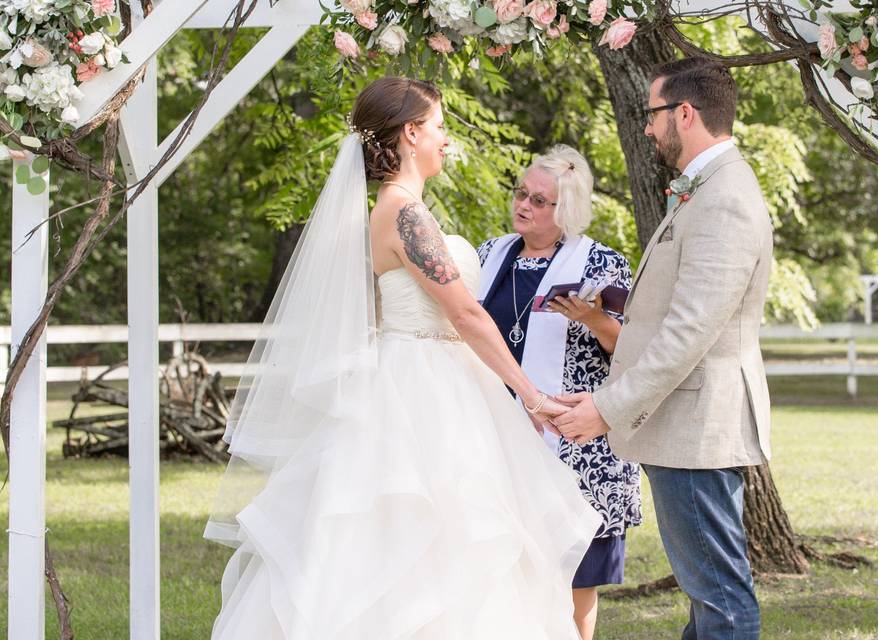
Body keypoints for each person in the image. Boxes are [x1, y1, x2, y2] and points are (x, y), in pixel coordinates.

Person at [204, 76, 601, 639]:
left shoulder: (403, 210)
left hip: (437, 379)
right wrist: (531, 397)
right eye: (438, 127)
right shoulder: (404, 213)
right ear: (411, 133)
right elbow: (464, 314)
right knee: (427, 537)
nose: (446, 140)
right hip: (422, 391)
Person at [553, 58, 772, 640]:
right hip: (684, 423)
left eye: (652, 115)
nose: (647, 128)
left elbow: (689, 331)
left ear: (684, 112)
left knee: (721, 597)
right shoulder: (705, 189)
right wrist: (605, 391)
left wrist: (607, 407)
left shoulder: (724, 197)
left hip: (697, 428)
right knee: (709, 599)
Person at [476, 145, 641, 640]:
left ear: (565, 209)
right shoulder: (490, 254)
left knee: (574, 578)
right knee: (503, 569)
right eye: (521, 193)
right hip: (498, 434)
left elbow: (633, 352)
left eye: (540, 200)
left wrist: (592, 319)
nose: (524, 204)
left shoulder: (601, 262)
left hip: (575, 440)